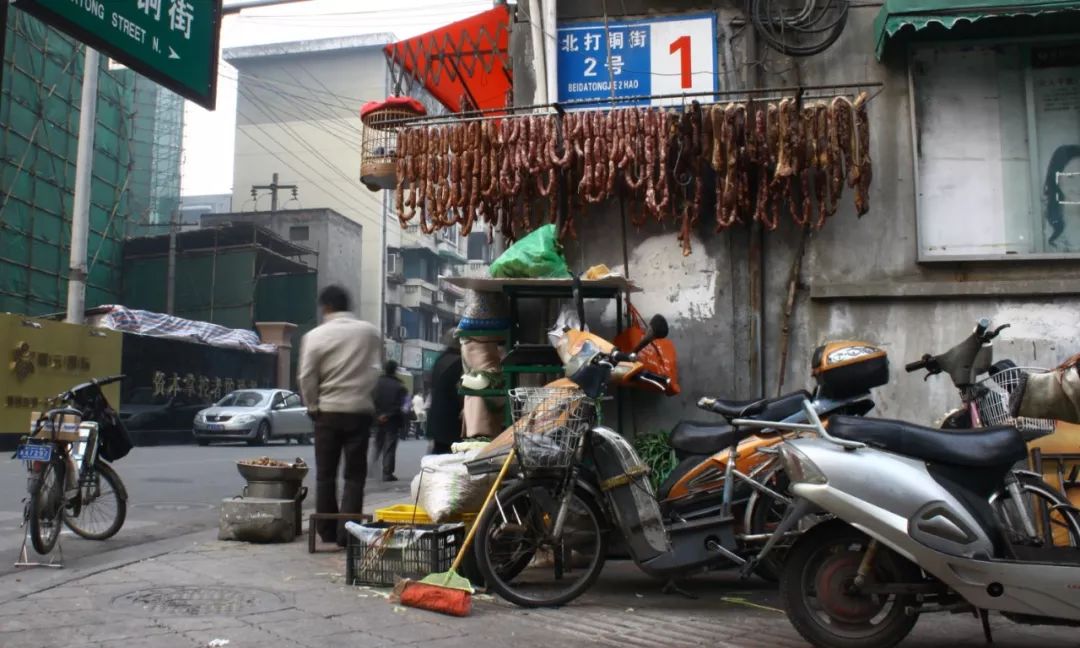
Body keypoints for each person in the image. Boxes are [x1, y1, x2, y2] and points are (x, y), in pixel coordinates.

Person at [298, 285, 380, 547]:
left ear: (326, 307)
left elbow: (306, 376)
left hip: (328, 412)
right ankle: (348, 532)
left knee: (326, 475)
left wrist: (312, 405)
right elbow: (376, 370)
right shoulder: (370, 333)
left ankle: (326, 531)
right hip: (359, 411)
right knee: (355, 476)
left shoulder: (314, 336)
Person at [427, 331, 464, 454]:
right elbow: (460, 391)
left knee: (439, 455)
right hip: (452, 422)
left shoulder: (440, 360)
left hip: (437, 420)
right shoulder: (458, 362)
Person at [372, 360, 408, 481]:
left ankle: (371, 470)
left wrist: (379, 415)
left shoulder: (376, 383)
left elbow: (372, 400)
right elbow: (403, 405)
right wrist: (388, 415)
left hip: (378, 420)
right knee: (389, 447)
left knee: (377, 445)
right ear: (395, 370)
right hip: (392, 420)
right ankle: (387, 473)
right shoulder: (399, 386)